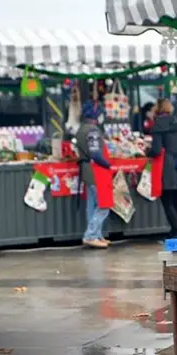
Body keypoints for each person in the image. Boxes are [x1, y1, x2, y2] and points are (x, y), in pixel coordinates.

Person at [76, 100, 113, 249]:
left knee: (92, 205)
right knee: (104, 205)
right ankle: (91, 235)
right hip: (96, 171)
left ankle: (97, 235)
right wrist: (107, 164)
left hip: (86, 170)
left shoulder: (81, 129)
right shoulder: (93, 131)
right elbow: (95, 153)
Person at [145, 98, 177, 238]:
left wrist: (147, 151)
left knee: (167, 200)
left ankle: (175, 231)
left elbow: (156, 150)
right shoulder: (176, 123)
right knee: (176, 199)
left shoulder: (157, 125)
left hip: (165, 166)